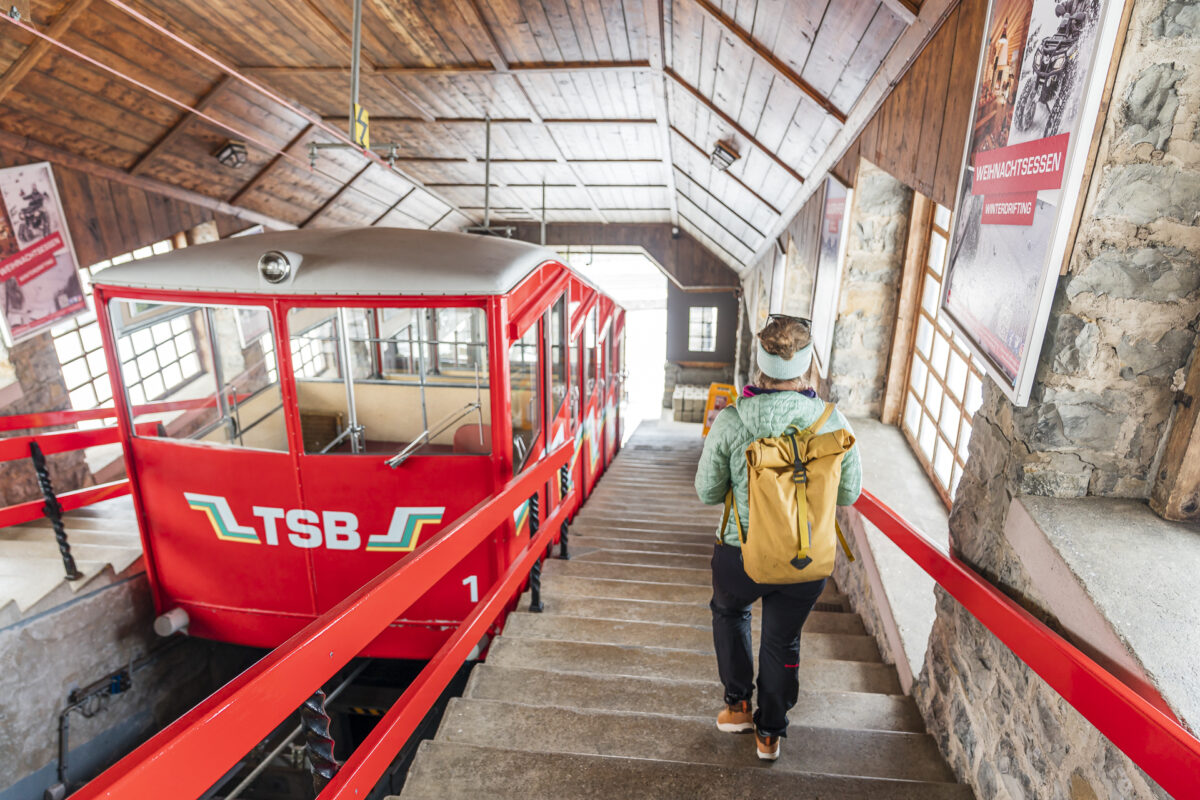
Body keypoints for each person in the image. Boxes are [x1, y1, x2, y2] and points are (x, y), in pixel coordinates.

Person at [694, 314, 861, 761]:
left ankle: (737, 706)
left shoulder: (732, 420)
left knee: (729, 613)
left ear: (760, 363)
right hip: (805, 559)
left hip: (740, 554)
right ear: (808, 365)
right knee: (783, 641)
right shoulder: (832, 420)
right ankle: (770, 734)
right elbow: (849, 492)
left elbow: (707, 491)